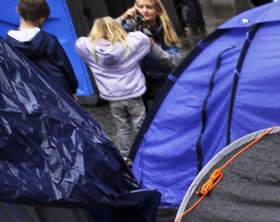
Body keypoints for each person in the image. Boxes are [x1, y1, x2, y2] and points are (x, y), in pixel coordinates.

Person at [74, 17, 150, 155]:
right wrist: (119, 23)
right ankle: (146, 151)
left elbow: (80, 42)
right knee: (141, 124)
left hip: (113, 98)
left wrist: (100, 33)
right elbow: (142, 38)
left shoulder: (91, 50)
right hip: (133, 95)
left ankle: (126, 155)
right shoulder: (128, 46)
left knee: (122, 128)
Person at [6, 1, 78, 97]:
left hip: (30, 96)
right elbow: (64, 66)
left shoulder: (8, 44)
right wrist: (73, 88)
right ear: (42, 19)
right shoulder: (49, 39)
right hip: (59, 93)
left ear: (17, 10)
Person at [118, 0, 177, 98]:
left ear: (158, 10)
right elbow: (103, 34)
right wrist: (123, 17)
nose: (144, 11)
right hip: (136, 84)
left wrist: (152, 47)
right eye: (140, 7)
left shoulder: (165, 31)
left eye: (149, 7)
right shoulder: (130, 26)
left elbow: (174, 63)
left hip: (160, 81)